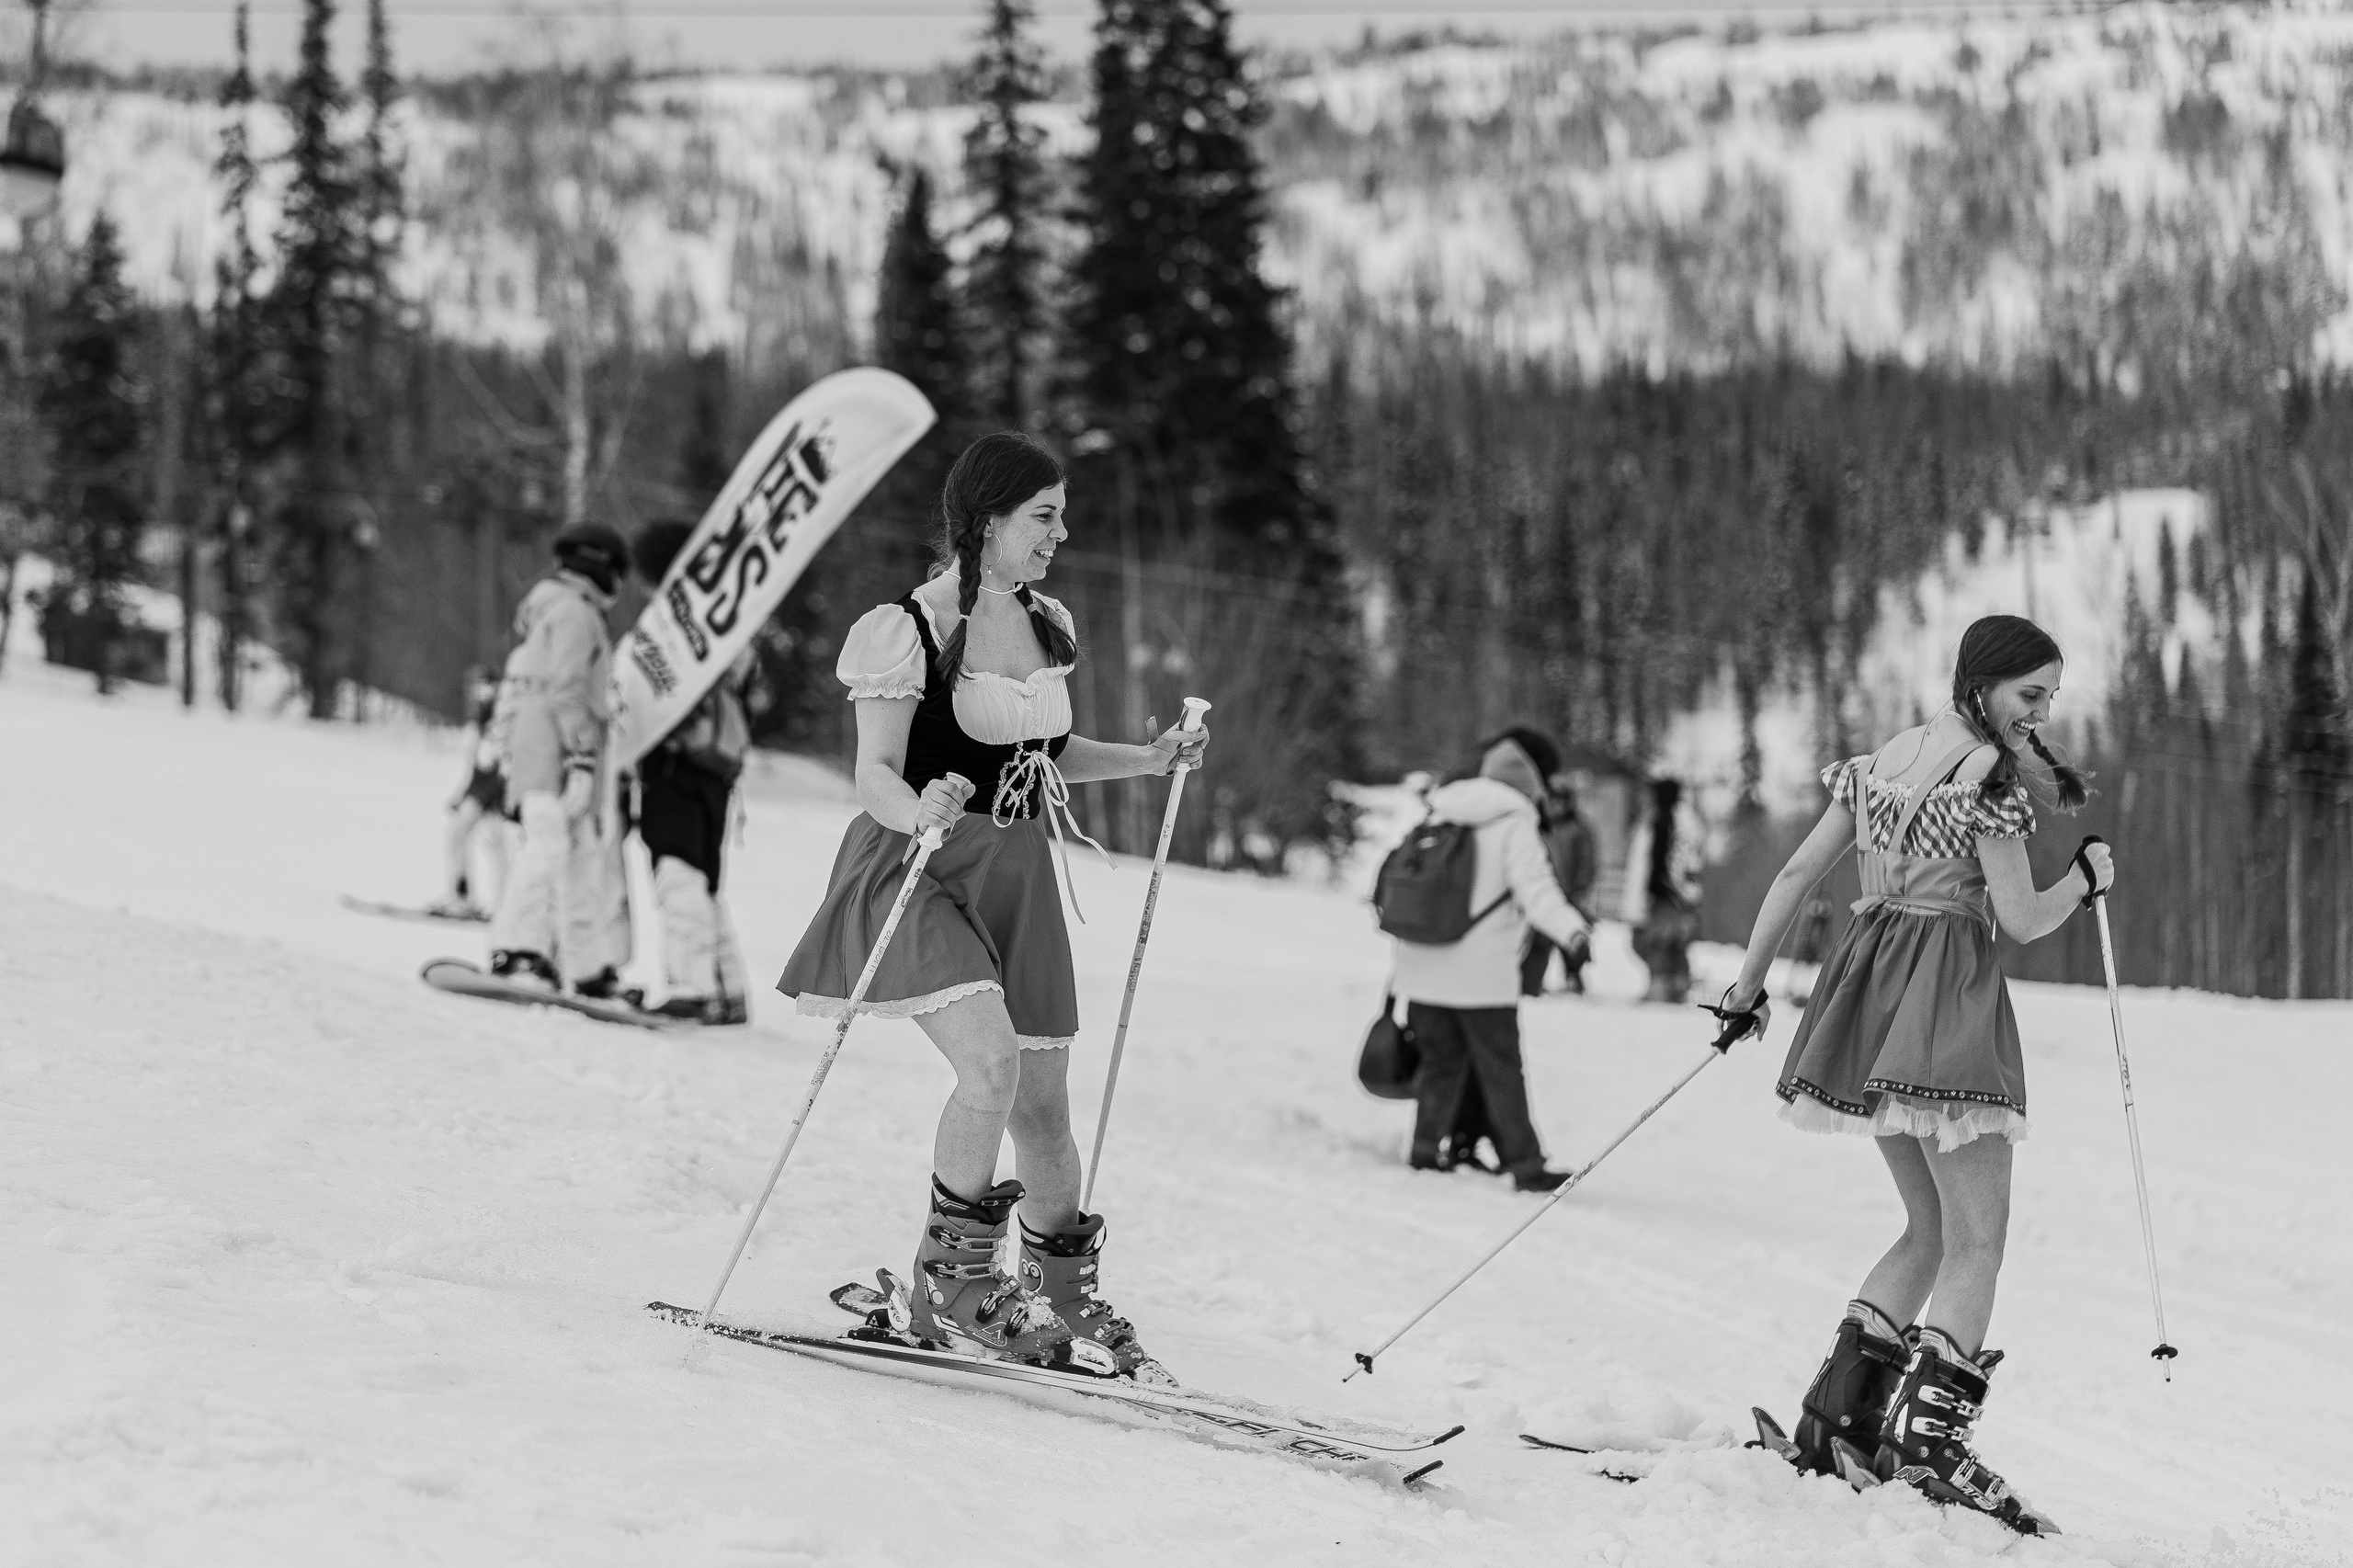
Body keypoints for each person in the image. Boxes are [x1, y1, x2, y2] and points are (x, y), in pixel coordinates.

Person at [776, 432, 1209, 1381]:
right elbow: (874, 772)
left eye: (1060, 513)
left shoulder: (1044, 620)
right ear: (984, 522)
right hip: (917, 863)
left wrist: (1145, 758)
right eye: (1043, 515)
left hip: (1015, 871)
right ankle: (951, 1284)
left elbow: (1042, 750)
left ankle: (1059, 1300)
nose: (1060, 532)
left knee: (1045, 1110)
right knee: (992, 1064)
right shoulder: (907, 628)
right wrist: (917, 807)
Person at [1716, 614, 2113, 1536]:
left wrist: (1744, 990)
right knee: (1978, 1236)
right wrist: (2086, 879)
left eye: (2050, 696)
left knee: (1928, 1226)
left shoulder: (1880, 760)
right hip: (1944, 1001)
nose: (2040, 711)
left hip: (1869, 992)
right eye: (2028, 694)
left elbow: (1794, 875)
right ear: (1981, 682)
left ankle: (1836, 1419)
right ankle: (1930, 1444)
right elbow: (2019, 917)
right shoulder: (1992, 784)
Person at [1391, 727, 1593, 1193]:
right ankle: (1526, 1165)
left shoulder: (1440, 813)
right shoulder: (1514, 823)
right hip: (1481, 977)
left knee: (1440, 1062)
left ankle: (1425, 1150)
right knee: (1501, 1067)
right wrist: (1573, 932)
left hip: (1420, 966)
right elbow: (1538, 893)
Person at [485, 521, 635, 996]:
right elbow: (566, 690)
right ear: (602, 567)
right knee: (548, 847)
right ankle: (516, 949)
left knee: (580, 859)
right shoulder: (574, 613)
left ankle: (587, 967)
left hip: (551, 751)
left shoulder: (560, 609)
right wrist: (581, 760)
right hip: (553, 755)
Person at [627, 520, 755, 1025]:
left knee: (677, 873)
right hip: (718, 769)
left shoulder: (669, 622)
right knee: (702, 881)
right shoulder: (724, 614)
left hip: (676, 760)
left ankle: (690, 987)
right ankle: (727, 988)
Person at [428, 667, 509, 921]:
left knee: (492, 844)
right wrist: (462, 794)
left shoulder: (499, 716)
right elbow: (476, 765)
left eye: (484, 685)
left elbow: (494, 765)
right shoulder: (480, 718)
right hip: (482, 793)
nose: (478, 692)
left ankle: (504, 905)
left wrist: (481, 797)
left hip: (494, 795)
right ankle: (465, 896)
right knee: (464, 837)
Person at [1623, 777, 1702, 1003]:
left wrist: (1650, 894)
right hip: (1682, 899)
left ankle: (1661, 992)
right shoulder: (1689, 824)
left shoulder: (1664, 822)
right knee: (1674, 948)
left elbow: (1658, 864)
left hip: (1664, 898)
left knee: (1658, 944)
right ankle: (1677, 989)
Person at [1519, 774, 1597, 996]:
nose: (1556, 806)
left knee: (1570, 941)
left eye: (1560, 801)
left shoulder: (1578, 830)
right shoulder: (1538, 826)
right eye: (1551, 801)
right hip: (1543, 893)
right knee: (1538, 942)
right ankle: (1530, 984)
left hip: (1570, 894)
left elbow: (1586, 862)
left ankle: (1574, 980)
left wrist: (1581, 888)